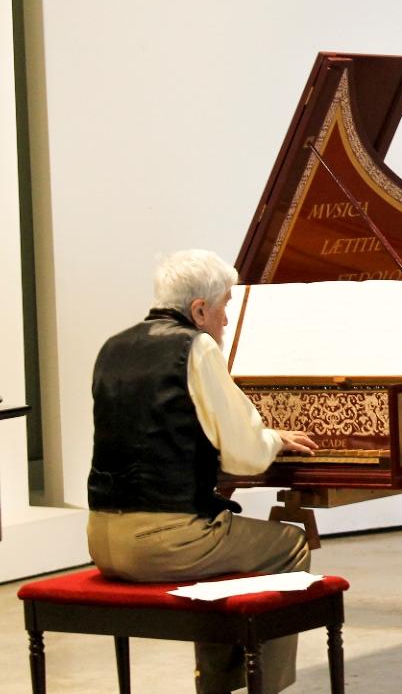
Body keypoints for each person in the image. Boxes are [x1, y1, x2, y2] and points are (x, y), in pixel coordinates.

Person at [87, 249, 319, 694]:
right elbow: (245, 455)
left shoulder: (113, 346)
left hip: (101, 538)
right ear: (199, 310)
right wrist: (273, 439)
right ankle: (265, 687)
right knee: (289, 545)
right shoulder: (195, 347)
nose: (226, 319)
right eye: (224, 306)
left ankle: (219, 684)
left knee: (225, 539)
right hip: (164, 542)